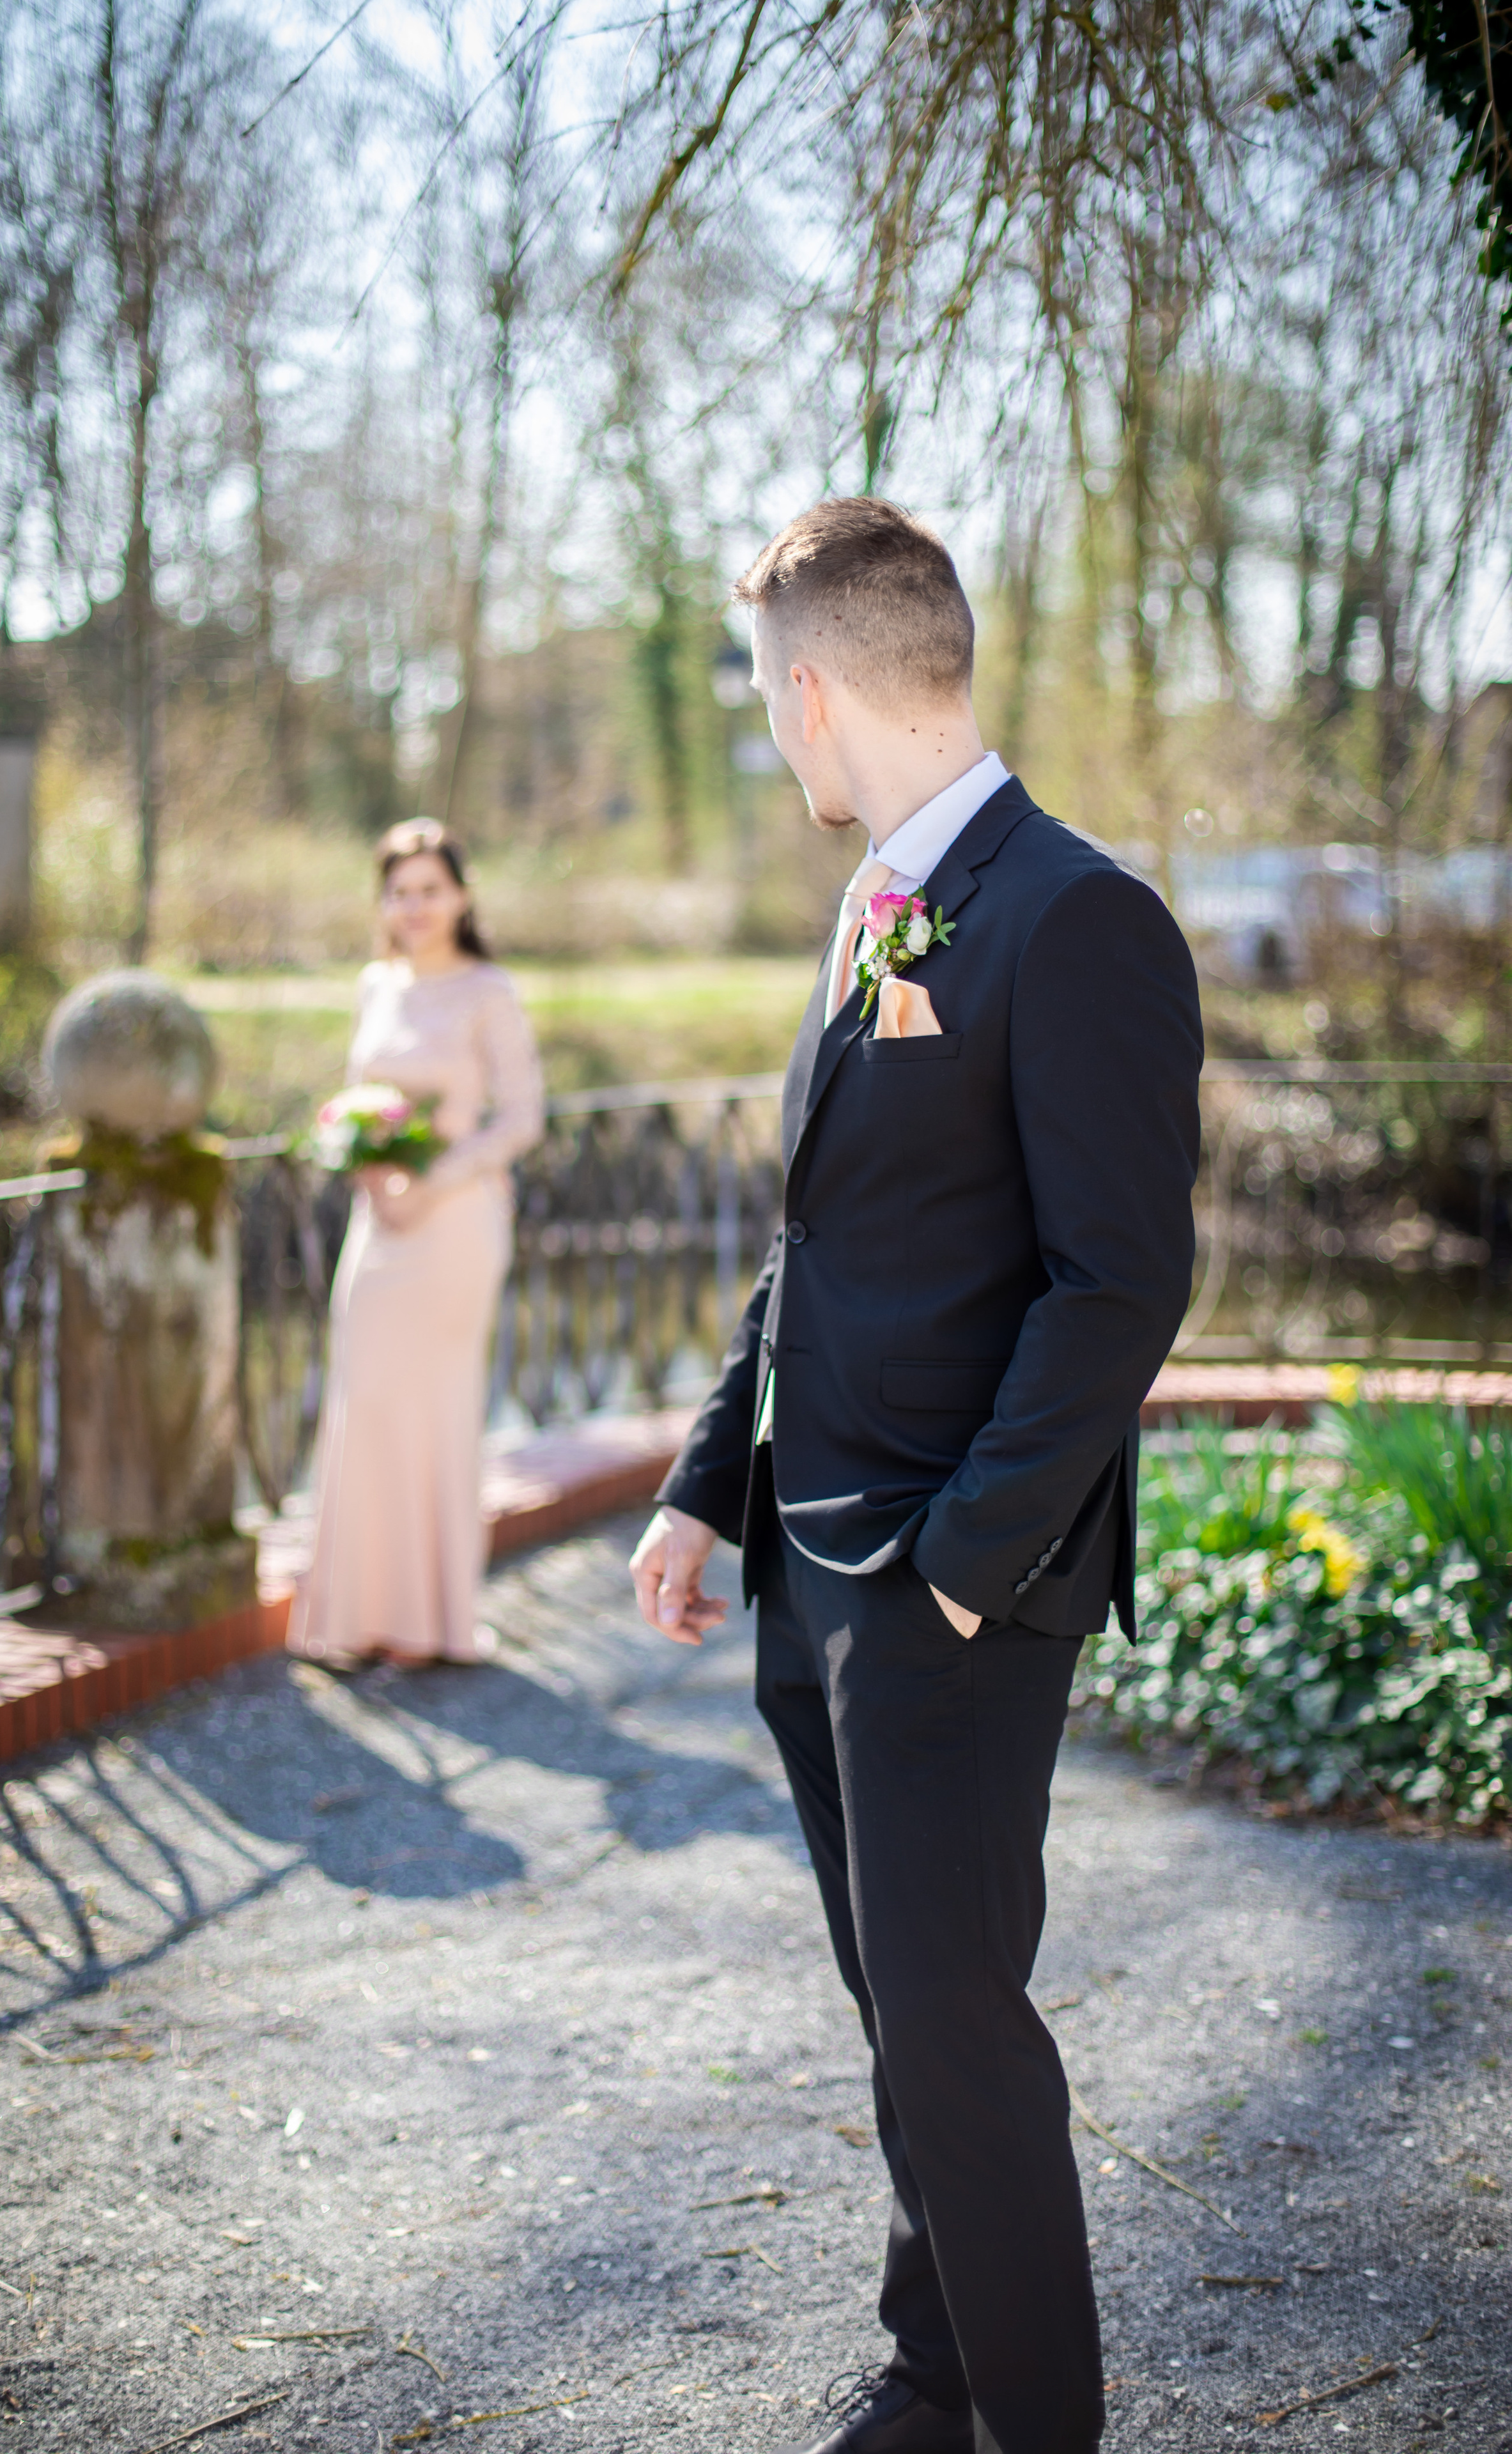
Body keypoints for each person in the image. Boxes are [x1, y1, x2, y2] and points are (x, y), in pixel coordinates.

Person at [629, 499, 1203, 2454]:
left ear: (812, 690)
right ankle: (936, 2374)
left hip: (956, 1584)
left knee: (960, 2027)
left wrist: (959, 1568)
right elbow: (821, 1246)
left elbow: (1119, 1284)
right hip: (813, 1561)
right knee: (903, 2005)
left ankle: (1036, 2423)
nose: (764, 728)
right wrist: (707, 1483)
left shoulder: (1077, 915)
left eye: (761, 694)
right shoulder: (877, 898)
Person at [290, 820, 544, 1669]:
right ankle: (354, 1617)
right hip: (378, 1225)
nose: (415, 907)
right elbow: (355, 1106)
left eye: (431, 889)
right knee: (364, 1401)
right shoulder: (376, 985)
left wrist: (432, 1183)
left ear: (461, 897)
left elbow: (522, 1118)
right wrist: (370, 1176)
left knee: (435, 1410)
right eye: (400, 892)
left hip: (455, 1224)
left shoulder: (488, 991)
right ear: (384, 904)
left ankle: (431, 1623)